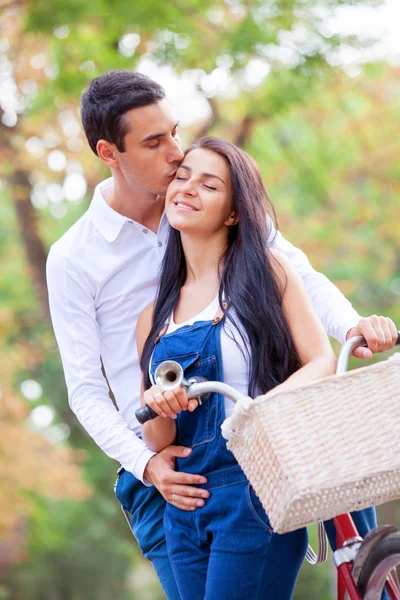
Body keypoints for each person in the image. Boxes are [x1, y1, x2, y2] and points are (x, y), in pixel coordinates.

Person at [46, 70, 398, 599]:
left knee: (340, 564)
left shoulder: (200, 200)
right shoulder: (76, 259)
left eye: (174, 132)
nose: (174, 153)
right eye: (153, 141)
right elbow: (85, 391)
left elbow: (297, 274)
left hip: (256, 448)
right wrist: (148, 465)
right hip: (162, 466)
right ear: (108, 152)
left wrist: (352, 325)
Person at [136, 136, 397, 599]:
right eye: (183, 177)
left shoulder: (267, 274)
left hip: (254, 491)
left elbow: (320, 361)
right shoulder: (152, 316)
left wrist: (258, 412)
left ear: (234, 213)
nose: (189, 188)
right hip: (185, 509)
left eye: (209, 185)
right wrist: (158, 405)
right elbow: (158, 439)